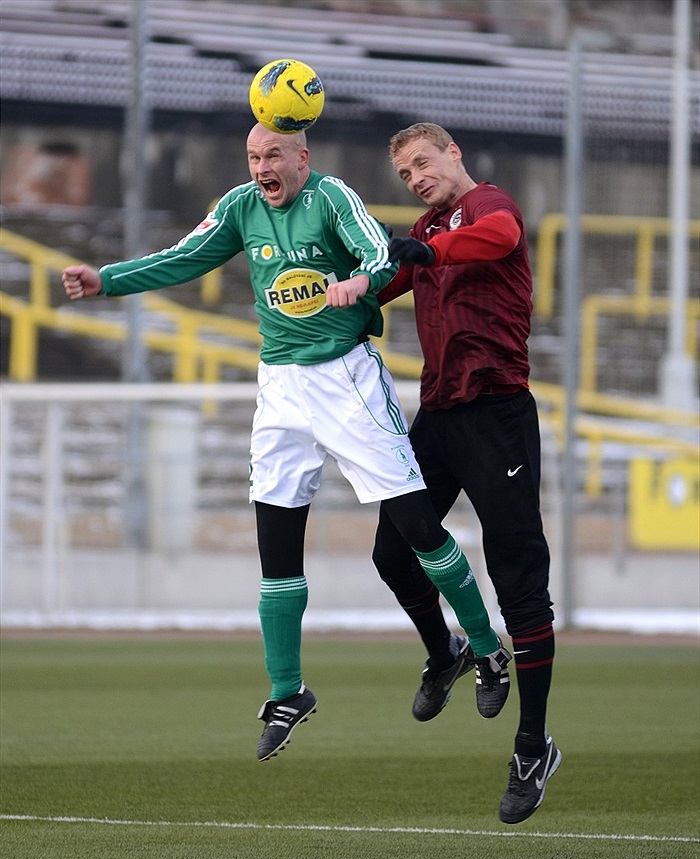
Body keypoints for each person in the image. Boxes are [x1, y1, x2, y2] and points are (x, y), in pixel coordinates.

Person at [62, 122, 511, 764]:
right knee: (275, 546)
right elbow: (183, 257)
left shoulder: (331, 197)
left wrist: (360, 281)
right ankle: (286, 691)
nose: (261, 166)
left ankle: (485, 647)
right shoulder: (242, 206)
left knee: (416, 526)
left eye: (273, 154)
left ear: (303, 157)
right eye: (253, 156)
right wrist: (108, 280)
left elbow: (382, 252)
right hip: (280, 388)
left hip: (347, 378)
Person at [373, 122, 560, 824]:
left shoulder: (486, 205)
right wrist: (328, 297)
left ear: (454, 154)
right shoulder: (426, 229)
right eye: (406, 175)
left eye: (423, 163)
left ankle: (532, 745)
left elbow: (504, 237)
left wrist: (425, 248)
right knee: (392, 550)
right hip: (441, 416)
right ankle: (448, 649)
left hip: (497, 413)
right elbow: (383, 283)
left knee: (518, 579)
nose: (417, 178)